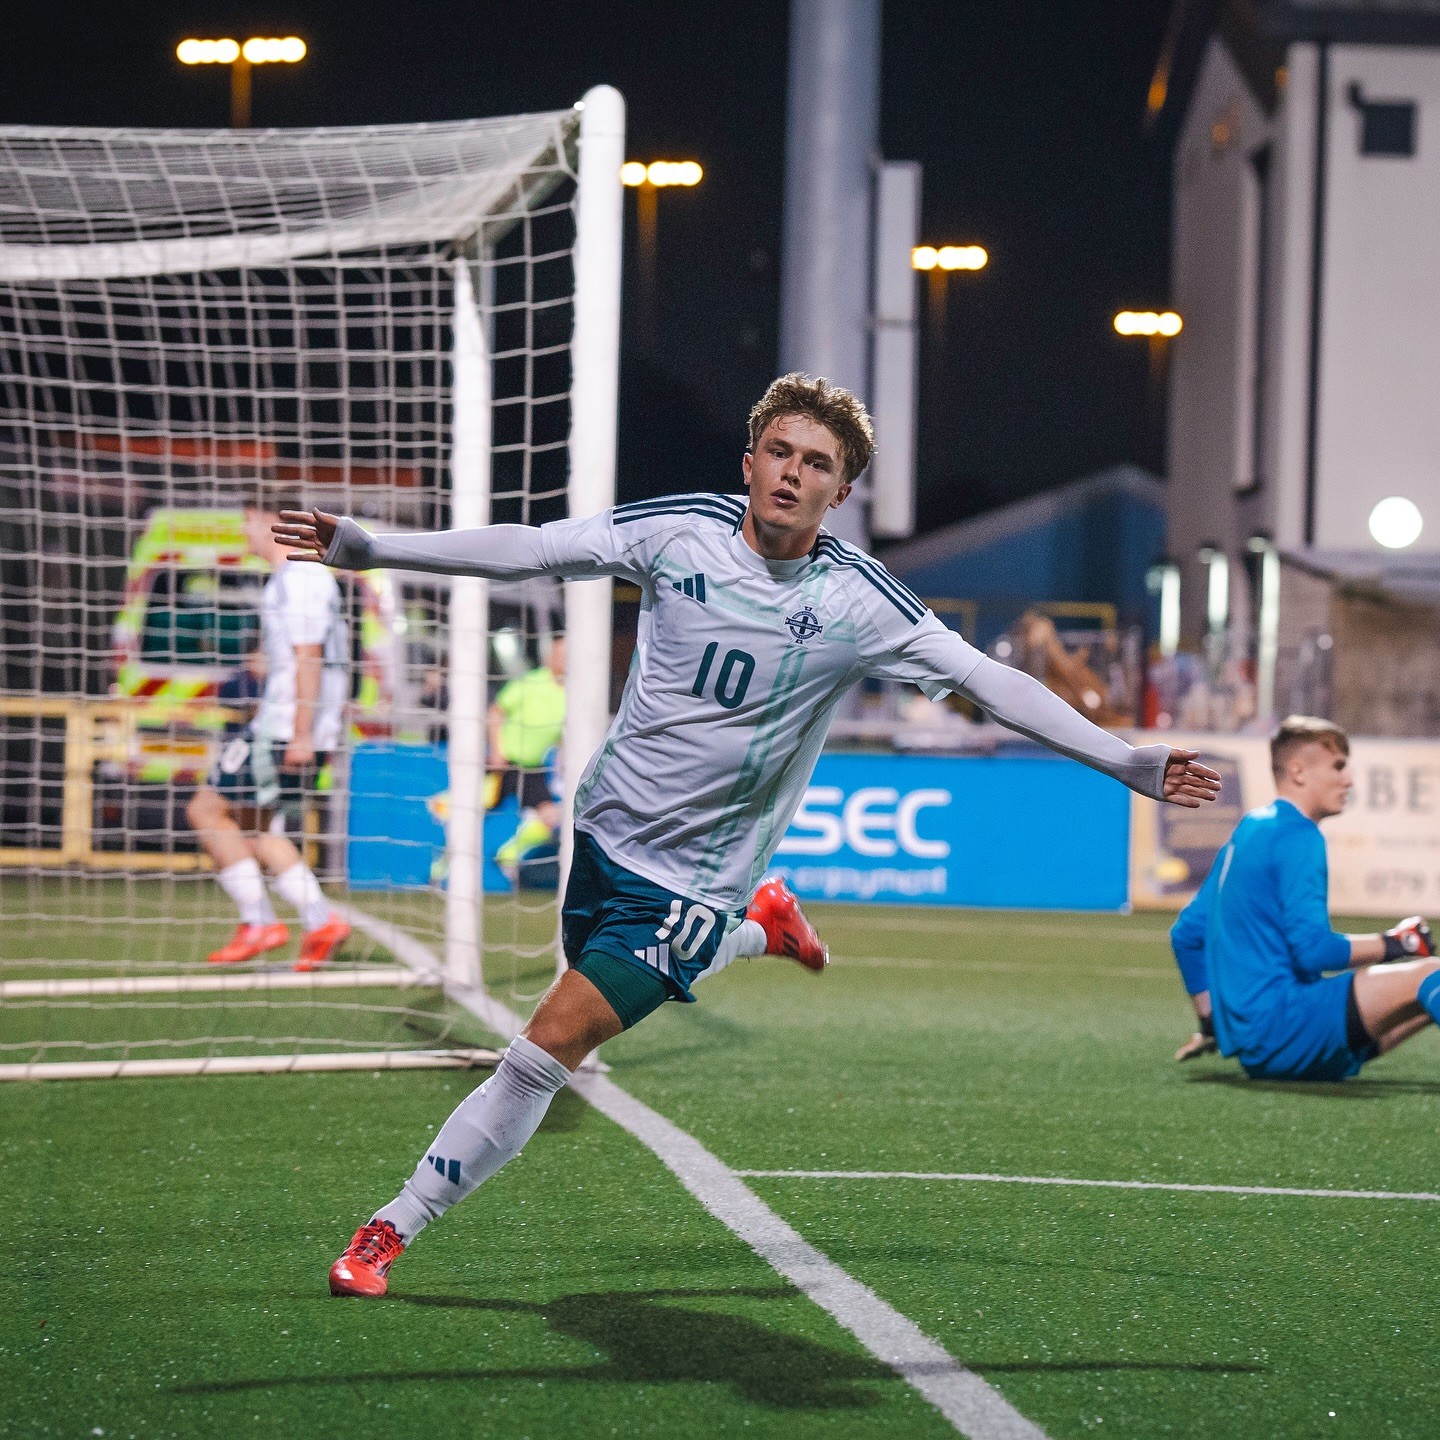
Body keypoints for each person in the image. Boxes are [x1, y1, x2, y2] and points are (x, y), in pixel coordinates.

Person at [274, 372, 1220, 1297]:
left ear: (840, 492)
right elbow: (534, 549)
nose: (792, 473)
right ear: (750, 460)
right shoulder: (679, 530)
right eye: (779, 451)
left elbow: (988, 682)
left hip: (693, 877)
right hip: (603, 835)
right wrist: (372, 547)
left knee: (544, 1050)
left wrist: (1126, 760)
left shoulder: (858, 601)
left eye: (816, 463)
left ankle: (390, 1228)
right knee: (576, 1017)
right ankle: (763, 929)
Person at [1170, 715, 1438, 1077]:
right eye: (1338, 766)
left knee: (1423, 995)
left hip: (1257, 1048)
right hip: (1288, 1028)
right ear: (1298, 772)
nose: (1349, 779)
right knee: (1433, 974)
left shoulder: (1251, 827)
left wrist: (1211, 1024)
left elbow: (1185, 934)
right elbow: (1313, 951)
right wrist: (1396, 942)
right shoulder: (1298, 836)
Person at [186, 509, 352, 970]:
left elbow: (309, 657)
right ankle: (319, 922)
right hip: (289, 724)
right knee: (258, 828)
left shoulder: (299, 576)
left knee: (207, 810)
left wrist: (300, 732)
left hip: (284, 729)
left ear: (267, 522)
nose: (243, 534)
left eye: (247, 522)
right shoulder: (291, 578)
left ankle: (262, 922)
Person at [489, 635, 567, 880]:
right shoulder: (530, 682)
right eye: (560, 653)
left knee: (551, 818)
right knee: (465, 813)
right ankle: (439, 871)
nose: (565, 658)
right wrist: (497, 750)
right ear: (550, 657)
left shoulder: (573, 695)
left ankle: (507, 855)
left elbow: (560, 736)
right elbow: (495, 713)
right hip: (504, 764)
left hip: (532, 769)